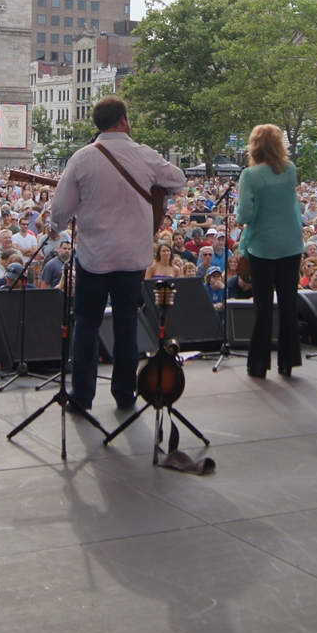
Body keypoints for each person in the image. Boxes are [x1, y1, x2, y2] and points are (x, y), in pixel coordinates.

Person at [50, 96, 186, 413]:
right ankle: (125, 396)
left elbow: (60, 211)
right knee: (126, 324)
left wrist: (58, 224)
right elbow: (178, 180)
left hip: (93, 258)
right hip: (132, 259)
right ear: (123, 120)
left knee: (85, 324)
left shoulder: (82, 159)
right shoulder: (145, 156)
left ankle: (82, 396)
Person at [236, 123, 305, 380]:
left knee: (263, 306)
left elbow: (246, 214)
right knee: (288, 304)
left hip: (263, 246)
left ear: (254, 146)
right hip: (291, 245)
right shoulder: (290, 170)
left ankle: (258, 363)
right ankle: (288, 362)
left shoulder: (250, 175)